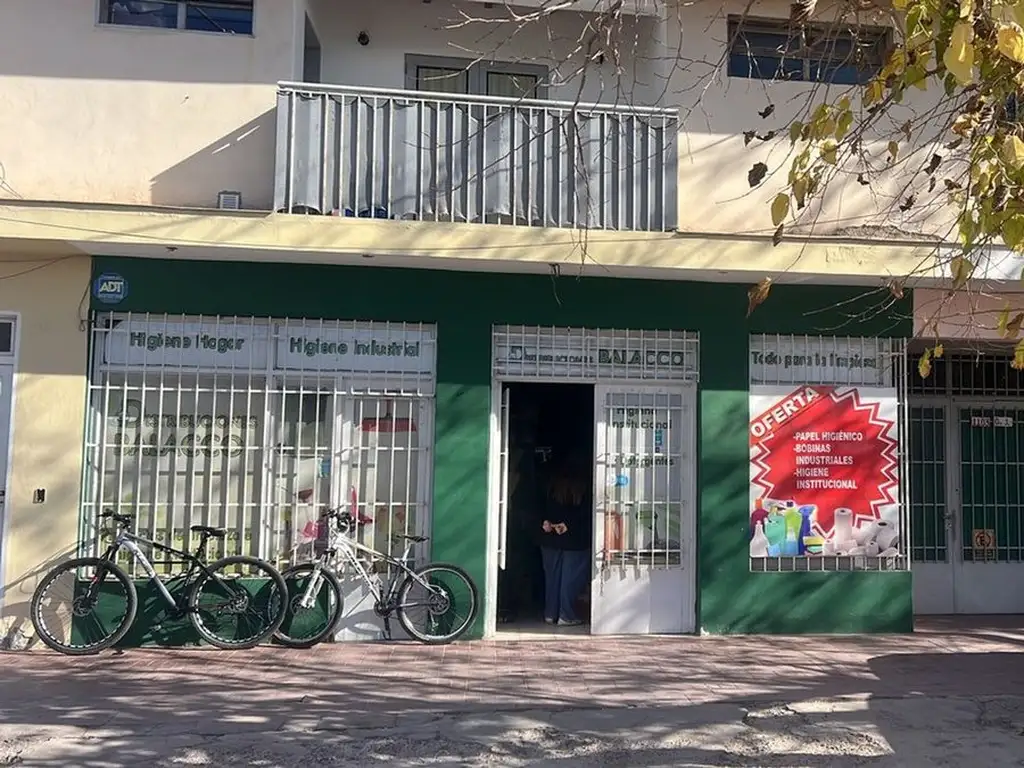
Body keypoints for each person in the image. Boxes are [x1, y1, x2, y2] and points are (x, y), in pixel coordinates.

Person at [538, 454, 591, 627]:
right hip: (576, 540)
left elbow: (541, 508)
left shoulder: (551, 486)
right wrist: (569, 525)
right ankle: (566, 615)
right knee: (571, 580)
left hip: (550, 538)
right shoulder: (584, 487)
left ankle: (550, 613)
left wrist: (546, 523)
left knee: (553, 579)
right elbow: (586, 513)